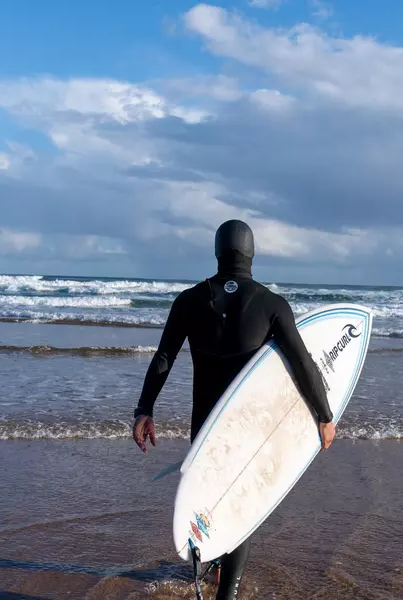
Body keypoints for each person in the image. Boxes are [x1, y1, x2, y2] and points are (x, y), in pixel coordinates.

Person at [132, 219, 336, 600]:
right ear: (252, 253)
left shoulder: (189, 301)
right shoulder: (271, 304)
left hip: (204, 427)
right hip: (245, 430)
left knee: (206, 499)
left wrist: (144, 409)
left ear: (217, 252)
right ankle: (227, 594)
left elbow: (164, 357)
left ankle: (212, 563)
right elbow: (303, 364)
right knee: (239, 509)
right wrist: (324, 415)